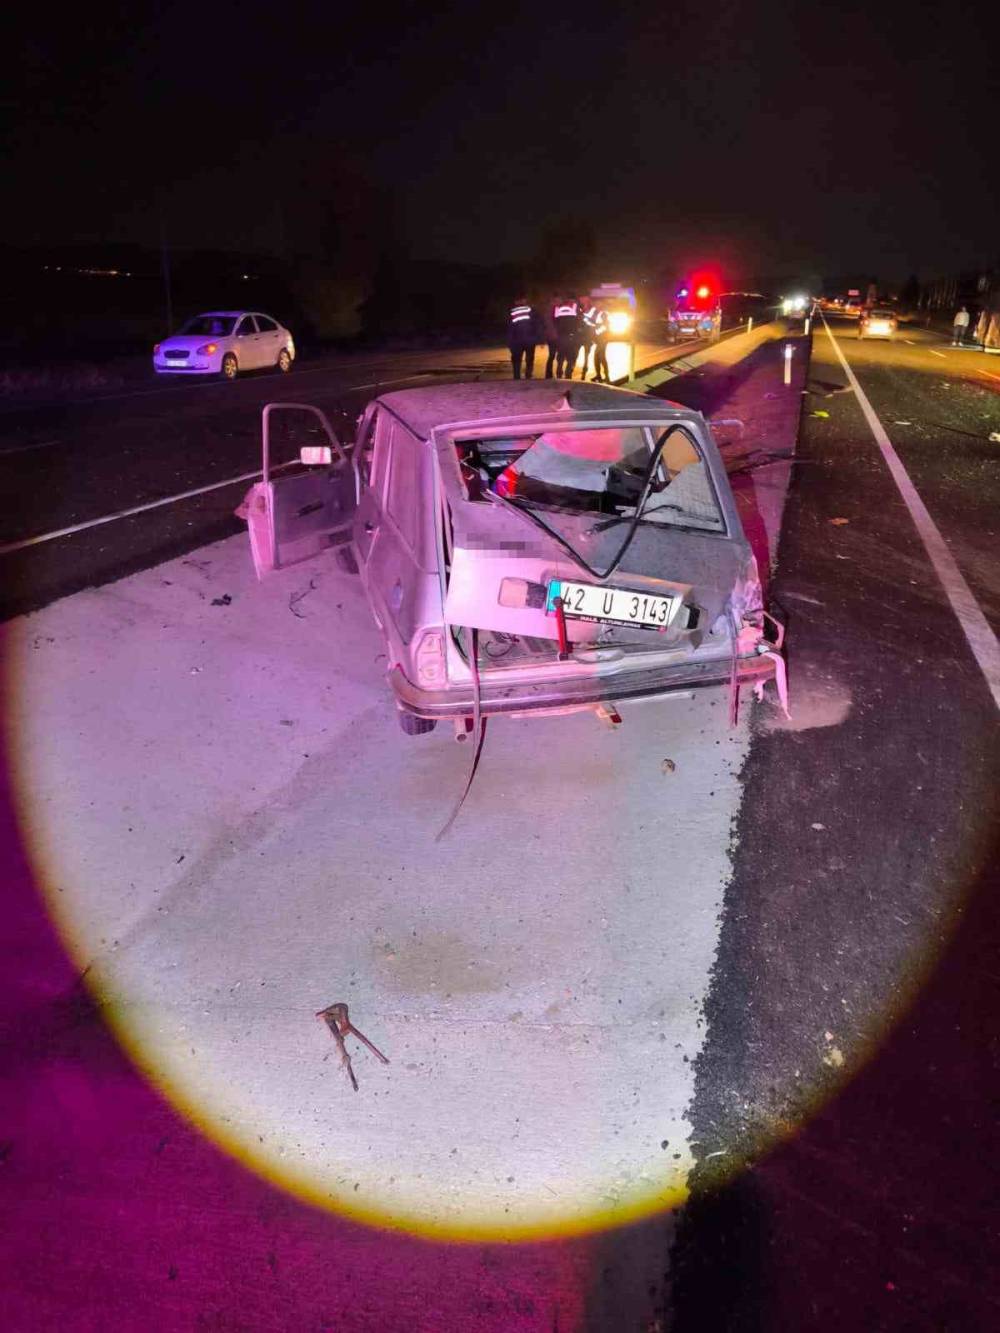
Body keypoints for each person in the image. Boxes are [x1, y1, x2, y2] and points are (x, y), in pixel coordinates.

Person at [507, 297, 538, 379]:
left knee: (517, 359)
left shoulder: (512, 312)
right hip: (530, 339)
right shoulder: (530, 311)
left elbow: (509, 328)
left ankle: (517, 376)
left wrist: (510, 342)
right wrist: (537, 338)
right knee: (530, 359)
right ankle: (528, 375)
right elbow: (536, 325)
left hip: (517, 341)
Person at [552, 295, 580, 378]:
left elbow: (555, 321)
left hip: (561, 336)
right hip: (571, 336)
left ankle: (559, 372)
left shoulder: (558, 309)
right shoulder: (574, 309)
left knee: (561, 355)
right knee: (570, 355)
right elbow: (577, 323)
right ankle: (568, 374)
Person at [577, 294, 599, 380]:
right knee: (575, 354)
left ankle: (584, 373)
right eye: (581, 299)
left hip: (588, 336)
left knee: (586, 356)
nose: (582, 301)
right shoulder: (578, 308)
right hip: (579, 335)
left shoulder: (593, 310)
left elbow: (594, 322)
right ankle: (571, 372)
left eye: (584, 299)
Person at [591, 304, 610, 382]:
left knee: (601, 358)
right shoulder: (601, 318)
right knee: (598, 358)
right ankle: (599, 375)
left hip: (603, 341)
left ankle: (605, 376)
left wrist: (595, 331)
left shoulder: (605, 319)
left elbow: (602, 328)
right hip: (600, 341)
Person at [541, 300, 559, 378]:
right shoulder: (556, 310)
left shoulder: (547, 311)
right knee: (555, 355)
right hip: (555, 336)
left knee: (552, 355)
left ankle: (549, 373)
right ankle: (553, 373)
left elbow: (544, 326)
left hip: (551, 336)